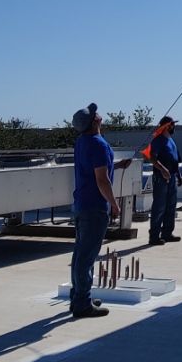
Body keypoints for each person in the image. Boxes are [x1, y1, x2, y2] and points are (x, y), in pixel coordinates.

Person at [69, 102, 118, 319]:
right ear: (94, 122)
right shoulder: (98, 144)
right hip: (95, 207)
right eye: (95, 114)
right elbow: (102, 180)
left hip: (81, 204)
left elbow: (95, 170)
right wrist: (114, 204)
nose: (99, 114)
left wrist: (118, 165)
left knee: (80, 253)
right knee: (86, 256)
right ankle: (82, 304)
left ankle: (79, 296)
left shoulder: (82, 142)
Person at [144, 115, 182, 246]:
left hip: (172, 178)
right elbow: (152, 157)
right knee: (159, 206)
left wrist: (178, 175)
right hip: (161, 178)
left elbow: (175, 160)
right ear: (167, 126)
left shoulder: (171, 141)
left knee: (171, 206)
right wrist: (162, 169)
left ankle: (167, 233)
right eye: (172, 125)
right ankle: (154, 236)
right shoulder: (158, 141)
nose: (174, 127)